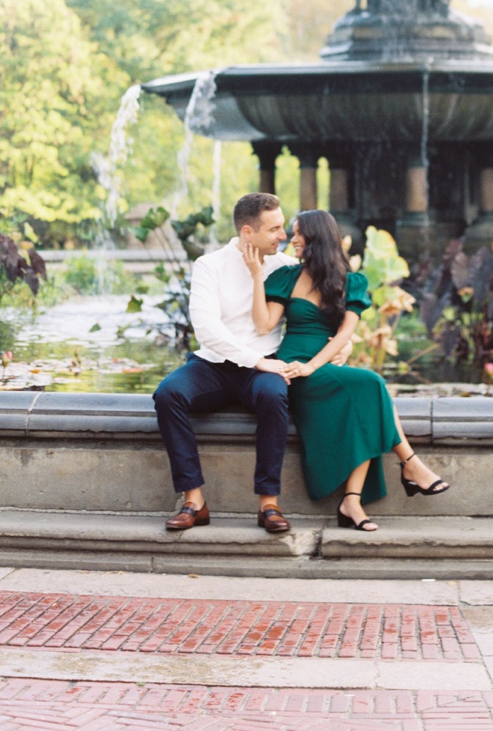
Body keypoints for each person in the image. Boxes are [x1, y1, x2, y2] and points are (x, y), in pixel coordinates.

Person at [246, 209, 450, 529]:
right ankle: (409, 465)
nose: (292, 239)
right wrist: (257, 276)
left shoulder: (351, 282)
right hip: (292, 367)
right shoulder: (284, 277)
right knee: (372, 385)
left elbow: (344, 334)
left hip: (317, 365)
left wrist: (312, 366)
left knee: (369, 389)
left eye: (298, 233)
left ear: (317, 238)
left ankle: (353, 501)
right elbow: (263, 325)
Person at [152, 191, 299, 533]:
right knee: (168, 394)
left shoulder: (286, 266)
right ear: (248, 232)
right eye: (275, 229)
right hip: (214, 365)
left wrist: (342, 344)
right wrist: (255, 360)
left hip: (265, 366)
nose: (284, 236)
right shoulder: (210, 265)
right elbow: (206, 328)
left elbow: (318, 310)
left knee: (274, 396)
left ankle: (268, 504)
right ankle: (194, 501)